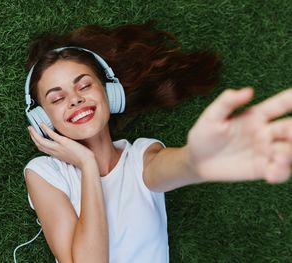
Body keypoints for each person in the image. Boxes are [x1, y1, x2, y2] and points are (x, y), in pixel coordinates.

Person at [23, 23, 292, 263]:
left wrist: (197, 161)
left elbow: (179, 166)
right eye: (57, 99)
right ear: (41, 119)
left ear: (110, 91)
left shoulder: (142, 155)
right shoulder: (46, 173)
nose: (74, 99)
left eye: (84, 86)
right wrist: (87, 164)